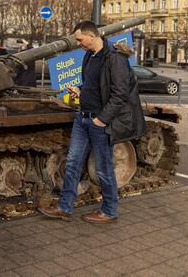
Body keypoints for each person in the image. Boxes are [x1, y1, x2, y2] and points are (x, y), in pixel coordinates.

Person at [38, 20, 146, 223]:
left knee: (104, 168)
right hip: (83, 118)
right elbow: (91, 82)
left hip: (98, 122)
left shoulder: (115, 58)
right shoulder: (90, 55)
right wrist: (80, 88)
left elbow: (120, 94)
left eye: (80, 39)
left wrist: (101, 120)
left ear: (92, 35)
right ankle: (65, 208)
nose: (78, 43)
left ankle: (110, 211)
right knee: (72, 163)